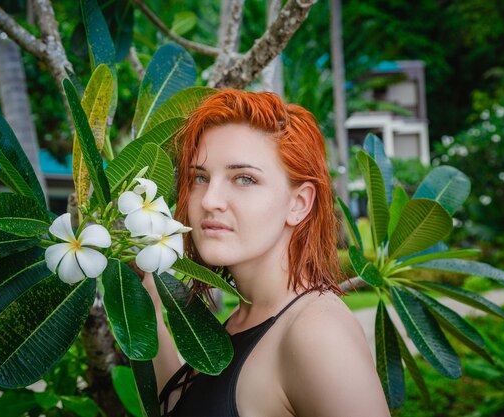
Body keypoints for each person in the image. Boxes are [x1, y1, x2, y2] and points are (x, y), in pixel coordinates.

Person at [141, 89, 390, 416]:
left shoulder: (317, 332)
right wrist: (148, 308)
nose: (208, 199)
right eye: (200, 177)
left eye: (243, 178)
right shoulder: (245, 316)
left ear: (298, 204)